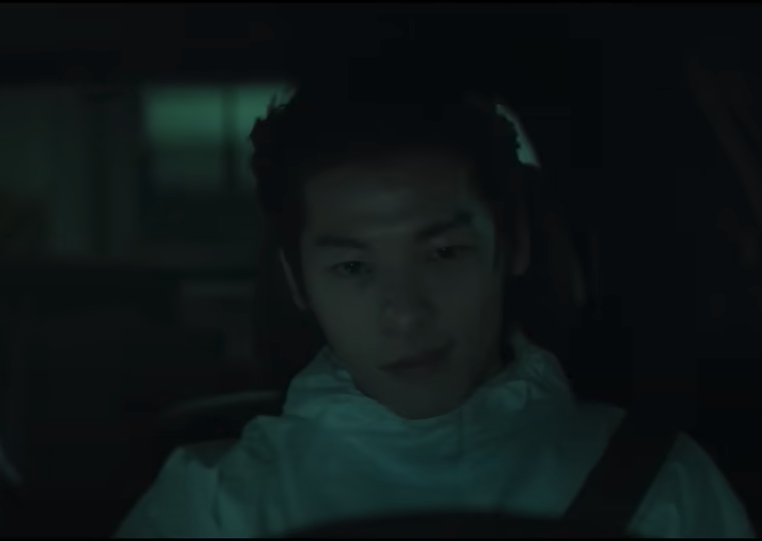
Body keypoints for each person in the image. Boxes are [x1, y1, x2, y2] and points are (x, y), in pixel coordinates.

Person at [115, 73, 755, 538]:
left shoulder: (656, 482)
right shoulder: (213, 506)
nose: (404, 313)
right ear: (298, 282)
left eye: (444, 253)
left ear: (513, 243)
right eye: (353, 267)